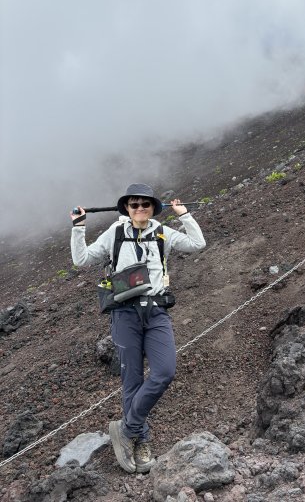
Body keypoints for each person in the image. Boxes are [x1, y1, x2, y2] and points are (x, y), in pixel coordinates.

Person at [70, 183, 206, 473]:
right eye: (134, 205)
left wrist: (184, 215)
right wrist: (78, 227)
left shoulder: (162, 232)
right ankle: (140, 441)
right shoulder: (115, 233)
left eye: (145, 204)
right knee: (131, 381)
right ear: (127, 208)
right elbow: (81, 259)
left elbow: (197, 245)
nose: (140, 209)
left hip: (157, 313)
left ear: (154, 207)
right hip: (124, 314)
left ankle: (127, 429)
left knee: (164, 371)